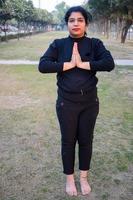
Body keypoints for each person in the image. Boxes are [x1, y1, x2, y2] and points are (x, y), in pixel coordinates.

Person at [38, 6, 115, 196]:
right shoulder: (58, 44)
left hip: (89, 103)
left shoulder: (94, 44)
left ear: (86, 23)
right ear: (67, 23)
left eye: (80, 20)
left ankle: (83, 178)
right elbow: (43, 65)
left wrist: (83, 64)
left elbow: (109, 63)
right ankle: (70, 179)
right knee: (68, 141)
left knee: (86, 141)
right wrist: (68, 65)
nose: (75, 24)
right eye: (72, 20)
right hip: (66, 103)